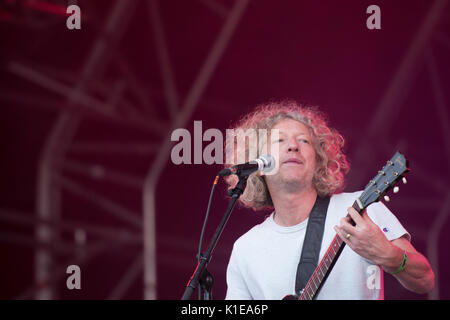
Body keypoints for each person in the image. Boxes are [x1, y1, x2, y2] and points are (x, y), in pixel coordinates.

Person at [224, 101, 435, 300]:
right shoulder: (246, 249)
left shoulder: (360, 211)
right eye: (280, 140)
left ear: (318, 161)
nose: (293, 146)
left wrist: (389, 255)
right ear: (258, 164)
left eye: (304, 140)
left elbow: (425, 280)